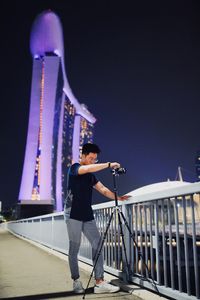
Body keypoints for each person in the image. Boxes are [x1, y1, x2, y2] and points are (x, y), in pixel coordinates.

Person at [64, 143, 130, 294]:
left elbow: (103, 189)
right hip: (72, 212)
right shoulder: (75, 168)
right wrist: (108, 164)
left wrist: (119, 198)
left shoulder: (91, 176)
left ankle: (99, 282)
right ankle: (76, 281)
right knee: (74, 247)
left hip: (87, 213)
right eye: (91, 158)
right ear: (83, 156)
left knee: (98, 244)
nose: (93, 161)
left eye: (95, 159)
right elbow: (85, 169)